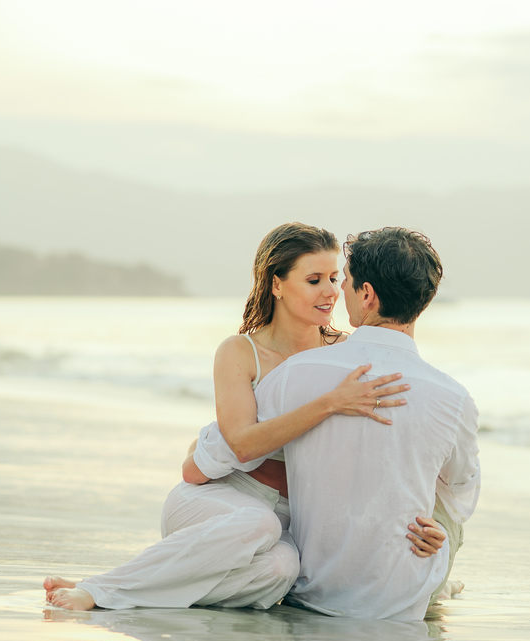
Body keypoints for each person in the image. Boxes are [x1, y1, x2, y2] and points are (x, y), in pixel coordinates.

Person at [43, 222, 447, 611]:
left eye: (334, 278)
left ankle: (145, 586)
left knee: (282, 570)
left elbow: (390, 440)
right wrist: (329, 403)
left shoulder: (345, 352)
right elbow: (242, 444)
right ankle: (101, 589)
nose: (330, 292)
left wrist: (428, 526)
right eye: (313, 280)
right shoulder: (240, 352)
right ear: (276, 284)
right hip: (218, 502)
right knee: (258, 523)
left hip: (288, 518)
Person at [204, 226, 480, 618]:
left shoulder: (295, 372)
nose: (336, 291)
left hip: (311, 590)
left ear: (366, 295)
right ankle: (436, 576)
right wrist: (436, 526)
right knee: (445, 504)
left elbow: (228, 449)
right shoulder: (454, 397)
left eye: (342, 279)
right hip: (399, 604)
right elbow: (462, 492)